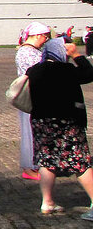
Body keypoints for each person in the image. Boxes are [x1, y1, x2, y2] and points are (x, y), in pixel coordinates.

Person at [27, 40, 93, 218]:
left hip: (41, 122)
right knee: (80, 161)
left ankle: (47, 202)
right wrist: (76, 55)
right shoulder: (66, 70)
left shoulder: (33, 71)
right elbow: (89, 73)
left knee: (46, 161)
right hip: (67, 121)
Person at [17, 22, 59, 180]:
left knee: (36, 130)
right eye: (45, 37)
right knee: (30, 131)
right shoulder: (26, 52)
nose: (46, 40)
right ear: (37, 36)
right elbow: (39, 72)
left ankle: (39, 163)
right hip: (31, 96)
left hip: (38, 95)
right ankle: (29, 167)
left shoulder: (33, 50)